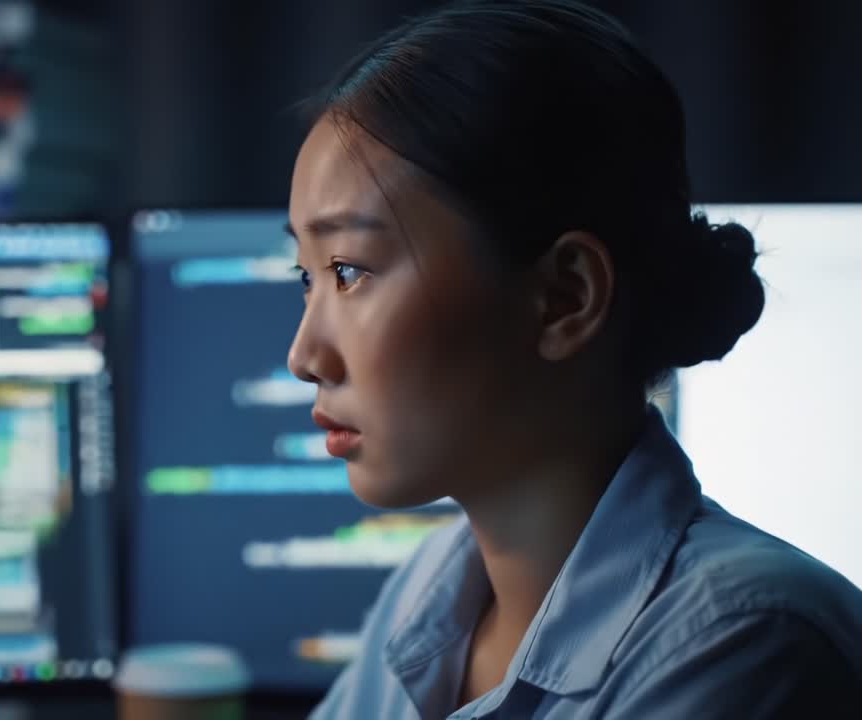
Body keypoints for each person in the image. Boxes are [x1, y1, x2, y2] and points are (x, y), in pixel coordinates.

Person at [284, 1, 862, 717]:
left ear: (564, 297)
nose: (304, 355)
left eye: (347, 271)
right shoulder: (433, 590)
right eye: (305, 279)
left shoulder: (745, 646)